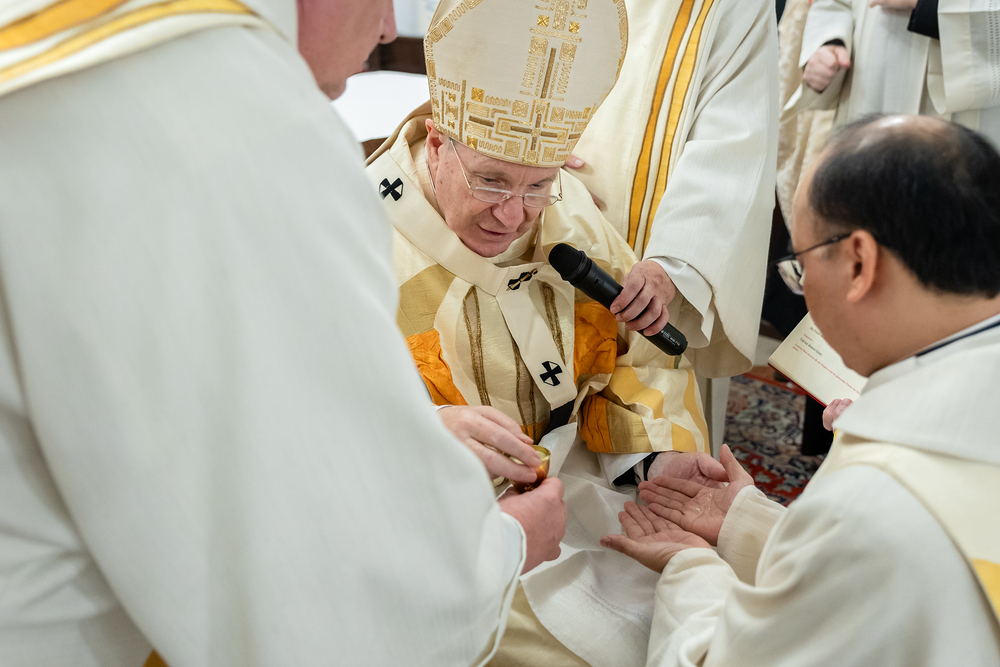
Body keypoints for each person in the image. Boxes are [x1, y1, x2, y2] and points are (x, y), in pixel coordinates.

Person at [0, 0, 568, 664]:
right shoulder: (238, 118)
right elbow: (328, 598)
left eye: (536, 188)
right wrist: (500, 548)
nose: (389, 27)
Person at [366, 0, 728, 663]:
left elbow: (638, 357)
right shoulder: (355, 240)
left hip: (584, 477)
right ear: (438, 146)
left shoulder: (569, 218)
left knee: (708, 600)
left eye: (538, 186)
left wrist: (651, 458)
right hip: (443, 519)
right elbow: (313, 414)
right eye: (491, 181)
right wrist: (429, 439)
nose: (513, 216)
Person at [602, 114, 1000, 665]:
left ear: (859, 263)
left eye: (801, 266)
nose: (803, 287)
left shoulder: (874, 498)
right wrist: (747, 521)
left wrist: (689, 565)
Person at [566, 0, 780, 381]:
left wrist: (671, 267)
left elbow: (733, 148)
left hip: (642, 255)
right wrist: (521, 156)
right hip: (521, 209)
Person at [786, 0, 1000, 148]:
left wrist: (932, 6)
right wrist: (831, 41)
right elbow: (835, 4)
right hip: (872, 87)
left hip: (966, 106)